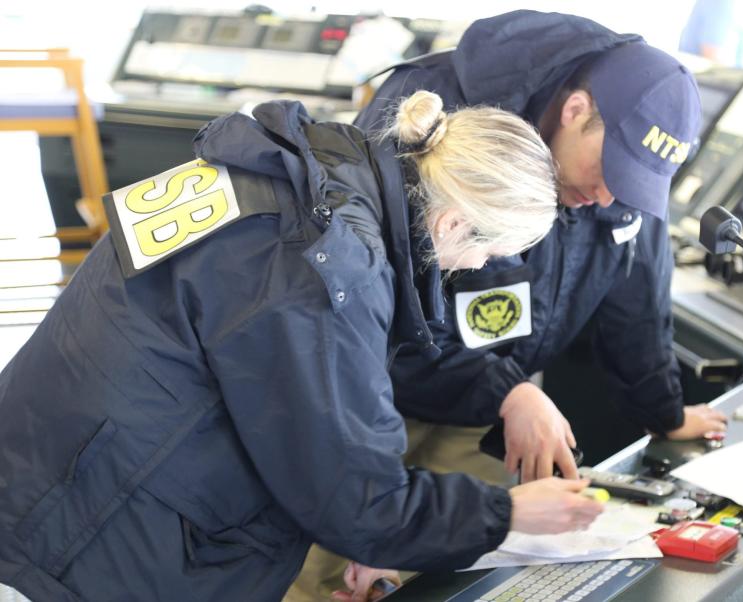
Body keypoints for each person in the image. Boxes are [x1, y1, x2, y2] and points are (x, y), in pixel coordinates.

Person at [0, 91, 605, 602]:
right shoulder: (328, 263)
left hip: (50, 467)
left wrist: (372, 529)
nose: (477, 268)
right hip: (86, 539)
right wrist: (509, 514)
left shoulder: (305, 171)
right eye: (489, 254)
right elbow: (358, 499)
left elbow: (288, 403)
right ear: (452, 225)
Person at [285, 10, 729, 601]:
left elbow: (637, 298)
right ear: (575, 113)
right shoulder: (437, 115)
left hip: (486, 414)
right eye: (609, 171)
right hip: (373, 398)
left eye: (632, 185)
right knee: (333, 577)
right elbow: (366, 305)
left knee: (452, 580)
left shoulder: (617, 182)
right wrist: (508, 392)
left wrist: (663, 410)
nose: (606, 197)